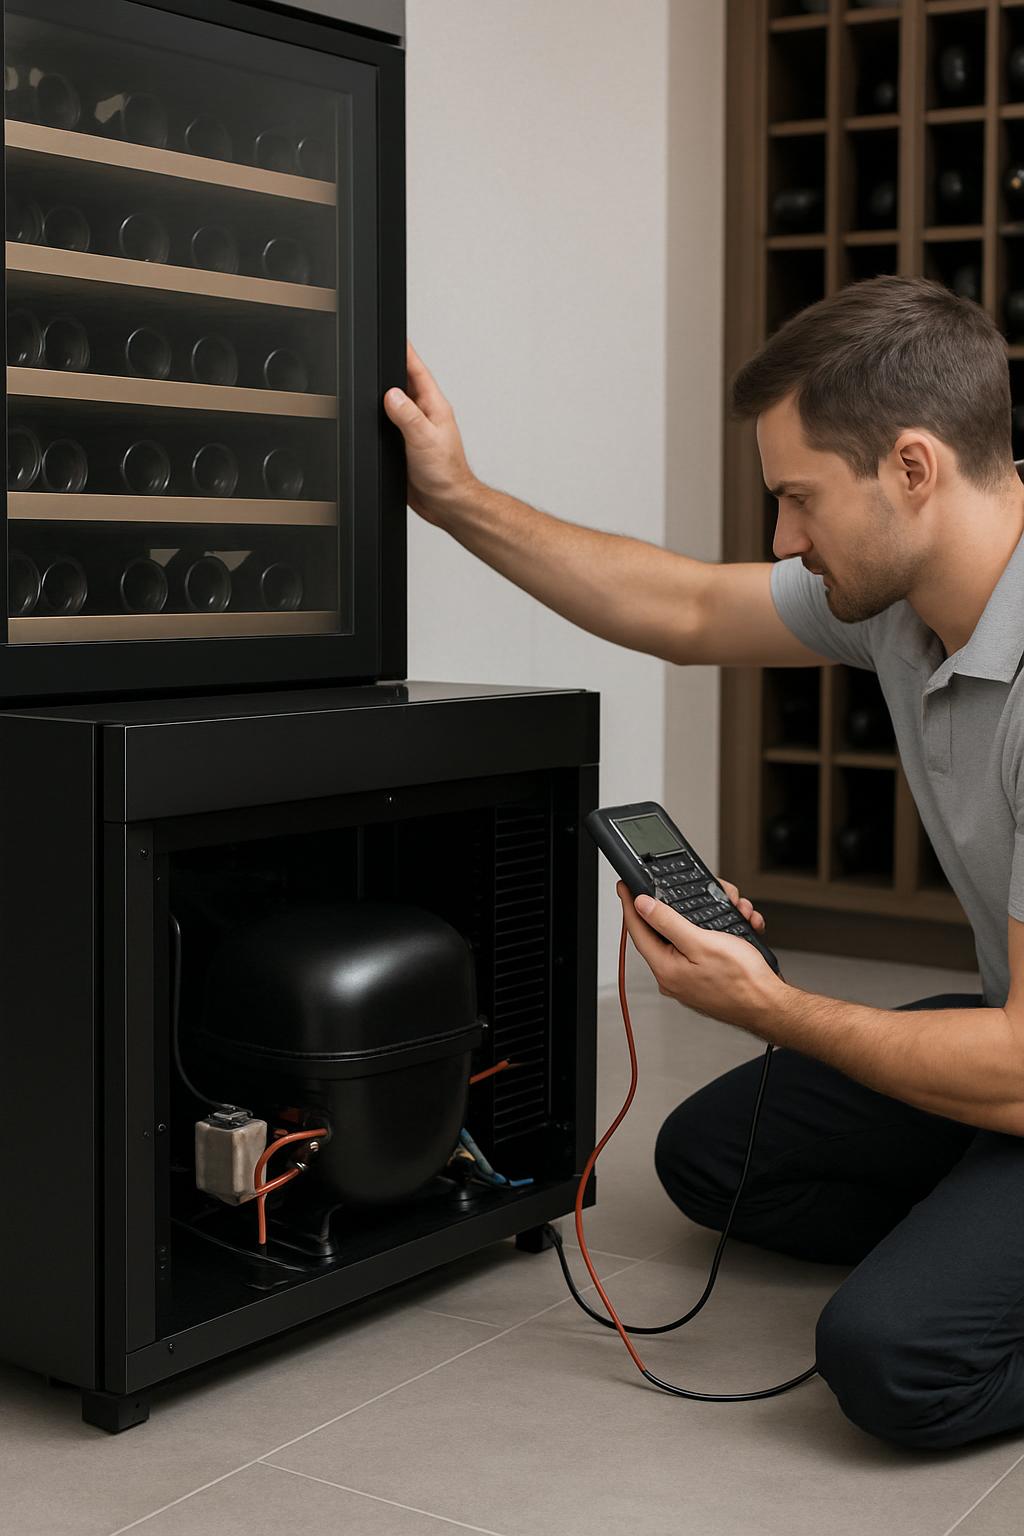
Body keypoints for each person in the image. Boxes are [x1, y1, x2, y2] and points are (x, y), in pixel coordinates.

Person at [383, 275, 1024, 1452]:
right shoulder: (901, 599)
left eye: (797, 499)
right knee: (712, 1161)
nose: (783, 539)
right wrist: (456, 498)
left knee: (893, 1359)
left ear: (912, 469)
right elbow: (681, 609)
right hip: (1011, 1034)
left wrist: (770, 1008)